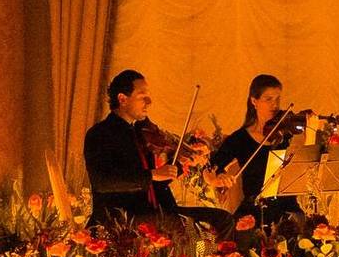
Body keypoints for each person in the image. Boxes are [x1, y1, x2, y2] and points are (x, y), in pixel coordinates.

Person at [83, 69, 231, 234]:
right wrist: (152, 174)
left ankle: (213, 252)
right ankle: (196, 249)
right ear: (122, 99)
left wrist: (180, 165)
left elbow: (153, 186)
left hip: (156, 211)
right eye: (142, 96)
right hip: (124, 218)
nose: (149, 101)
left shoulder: (141, 132)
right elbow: (102, 182)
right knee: (185, 227)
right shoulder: (100, 133)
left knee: (222, 219)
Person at [206, 74, 302, 223]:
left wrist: (312, 130)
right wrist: (216, 179)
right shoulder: (240, 138)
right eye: (268, 99)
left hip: (287, 207)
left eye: (277, 99)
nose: (275, 105)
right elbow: (211, 166)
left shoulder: (286, 133)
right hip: (256, 208)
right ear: (254, 101)